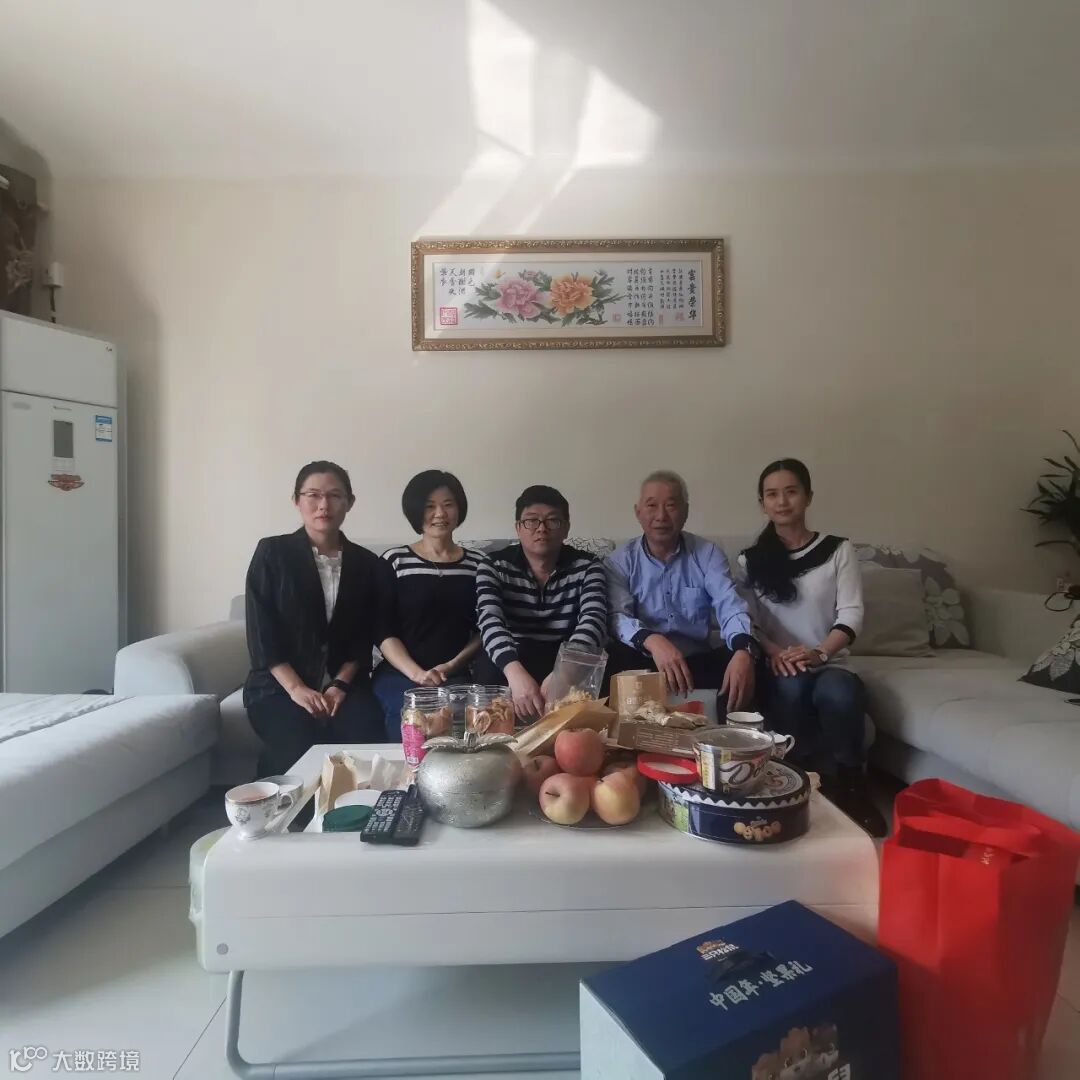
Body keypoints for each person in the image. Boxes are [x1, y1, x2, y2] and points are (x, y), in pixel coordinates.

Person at [737, 458, 886, 837]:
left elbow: (851, 613)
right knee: (793, 686)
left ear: (808, 497)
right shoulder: (751, 560)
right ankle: (801, 781)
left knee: (839, 691)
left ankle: (852, 786)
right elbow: (748, 621)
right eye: (772, 494)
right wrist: (775, 653)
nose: (782, 501)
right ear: (762, 503)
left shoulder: (838, 550)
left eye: (791, 492)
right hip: (779, 663)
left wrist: (819, 652)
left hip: (829, 659)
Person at [243, 460, 392, 777]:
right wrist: (297, 689)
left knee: (363, 735)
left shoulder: (367, 564)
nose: (324, 505)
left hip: (345, 686)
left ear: (349, 502)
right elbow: (261, 634)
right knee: (295, 742)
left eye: (335, 496)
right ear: (296, 501)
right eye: (313, 495)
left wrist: (339, 685)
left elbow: (363, 636)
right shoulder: (272, 554)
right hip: (278, 687)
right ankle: (275, 803)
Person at [605, 470, 758, 710]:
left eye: (671, 505)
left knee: (747, 659)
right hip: (643, 660)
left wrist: (743, 649)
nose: (661, 516)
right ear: (638, 512)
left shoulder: (707, 554)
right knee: (610, 657)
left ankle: (733, 731)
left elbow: (729, 603)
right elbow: (616, 616)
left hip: (696, 661)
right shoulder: (620, 561)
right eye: (652, 505)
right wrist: (653, 640)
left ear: (685, 511)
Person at [474, 485, 608, 719]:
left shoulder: (588, 566)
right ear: (518, 528)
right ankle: (497, 734)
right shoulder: (494, 565)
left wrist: (564, 672)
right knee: (487, 664)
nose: (541, 529)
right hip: (516, 655)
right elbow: (490, 620)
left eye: (552, 521)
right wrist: (515, 673)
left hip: (567, 654)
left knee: (600, 663)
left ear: (566, 528)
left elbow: (593, 619)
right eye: (531, 521)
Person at [372, 469, 482, 738]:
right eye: (429, 506)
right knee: (412, 717)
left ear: (459, 509)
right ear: (415, 511)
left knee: (462, 722)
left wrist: (452, 666)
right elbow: (382, 631)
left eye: (448, 504)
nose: (440, 514)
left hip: (455, 674)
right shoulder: (395, 561)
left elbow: (485, 629)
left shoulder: (478, 565)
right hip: (400, 673)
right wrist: (417, 674)